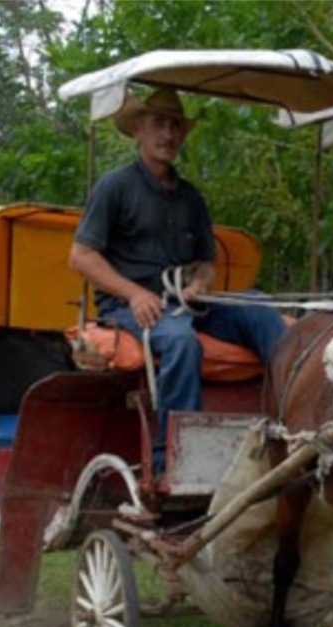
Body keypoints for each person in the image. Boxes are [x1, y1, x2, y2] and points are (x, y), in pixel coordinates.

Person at [69, 87, 287, 435]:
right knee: (180, 342)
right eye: (159, 124)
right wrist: (134, 294)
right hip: (130, 308)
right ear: (139, 128)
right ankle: (172, 453)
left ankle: (289, 421)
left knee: (260, 308)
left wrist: (199, 284)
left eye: (175, 127)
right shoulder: (115, 187)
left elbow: (206, 262)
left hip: (185, 304)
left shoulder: (190, 198)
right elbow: (81, 256)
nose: (168, 134)